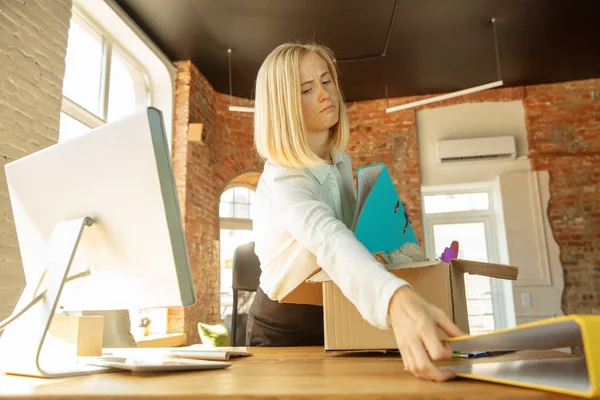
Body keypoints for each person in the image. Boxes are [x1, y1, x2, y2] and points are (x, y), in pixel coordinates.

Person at [247, 42, 465, 382]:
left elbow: (350, 239)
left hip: (338, 305)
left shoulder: (339, 162)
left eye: (326, 81)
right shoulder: (283, 178)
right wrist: (395, 298)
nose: (324, 94)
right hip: (283, 325)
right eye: (306, 89)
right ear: (282, 107)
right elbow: (329, 239)